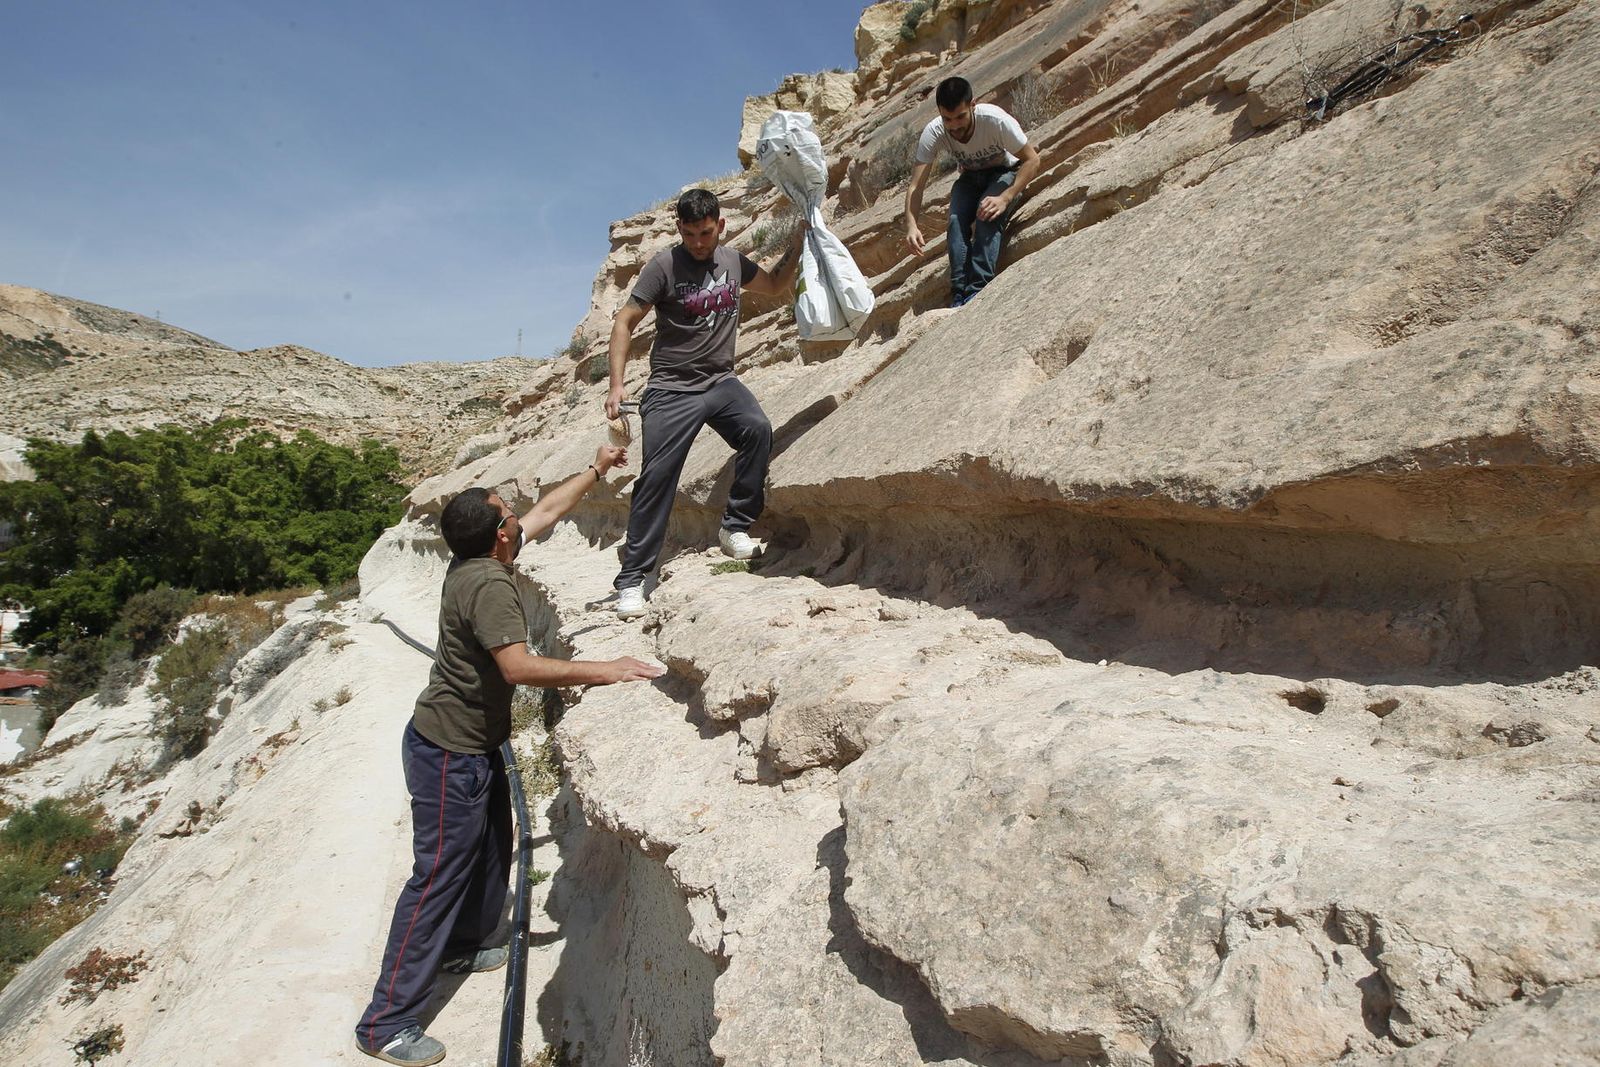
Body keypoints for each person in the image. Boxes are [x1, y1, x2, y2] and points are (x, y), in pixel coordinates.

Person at [354, 444, 664, 1067]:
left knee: (494, 846)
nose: (520, 519)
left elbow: (546, 512)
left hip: (470, 744)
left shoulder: (475, 559)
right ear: (499, 536)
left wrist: (598, 469)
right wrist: (605, 669)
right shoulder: (490, 585)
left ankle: (465, 942)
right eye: (509, 516)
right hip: (448, 753)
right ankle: (385, 1022)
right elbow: (517, 667)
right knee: (437, 875)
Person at [604, 187, 806, 620]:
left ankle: (734, 527)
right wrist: (616, 385)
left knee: (757, 430)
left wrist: (799, 244)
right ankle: (632, 581)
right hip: (671, 388)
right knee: (657, 478)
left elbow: (773, 285)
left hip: (719, 381)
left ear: (721, 226)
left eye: (706, 233)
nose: (699, 242)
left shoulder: (732, 261)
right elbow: (624, 321)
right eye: (691, 233)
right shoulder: (663, 266)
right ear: (679, 228)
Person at [903, 76, 1042, 307]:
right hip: (969, 178)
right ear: (939, 112)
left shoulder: (994, 120)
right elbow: (916, 186)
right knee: (955, 223)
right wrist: (911, 224)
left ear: (972, 105)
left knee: (986, 212)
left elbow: (1032, 160)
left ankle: (978, 289)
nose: (955, 125)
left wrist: (1006, 197)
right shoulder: (934, 131)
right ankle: (959, 294)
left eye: (960, 116)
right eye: (948, 119)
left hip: (1003, 172)